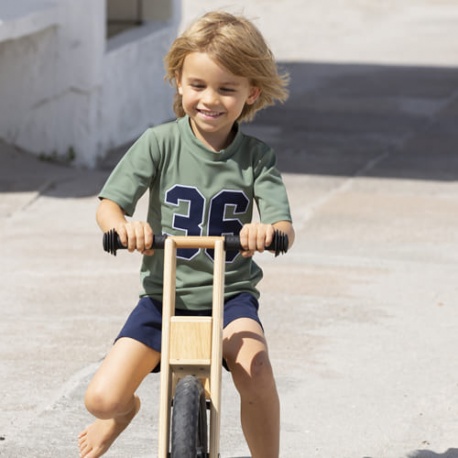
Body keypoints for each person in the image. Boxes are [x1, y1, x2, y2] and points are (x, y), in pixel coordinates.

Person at [78, 10, 295, 458]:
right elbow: (108, 205)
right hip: (164, 296)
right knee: (101, 399)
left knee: (256, 369)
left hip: (230, 297)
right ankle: (122, 414)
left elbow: (283, 228)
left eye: (227, 89)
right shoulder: (159, 143)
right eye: (198, 85)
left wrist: (266, 232)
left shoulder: (257, 158)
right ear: (178, 81)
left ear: (251, 92)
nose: (210, 99)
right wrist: (123, 227)